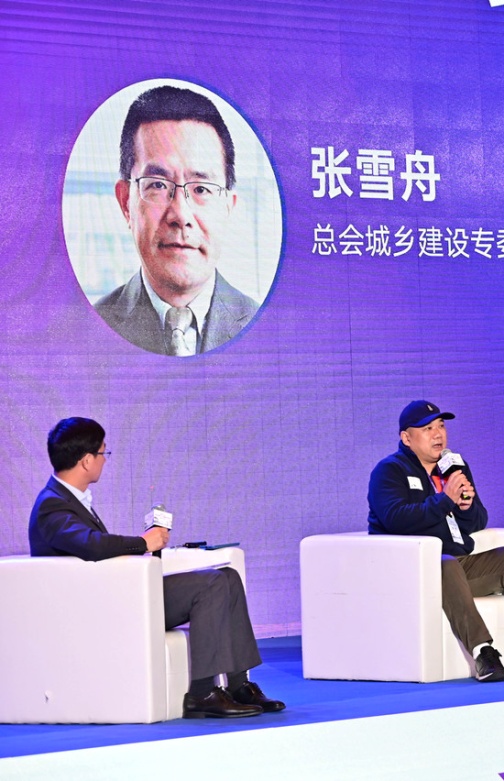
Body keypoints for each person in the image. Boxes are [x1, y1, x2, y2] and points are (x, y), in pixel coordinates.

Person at [29, 418, 283, 718]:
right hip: (99, 607)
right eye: (102, 453)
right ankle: (203, 693)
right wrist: (143, 542)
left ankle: (239, 684)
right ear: (86, 460)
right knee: (212, 584)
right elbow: (90, 544)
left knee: (228, 577)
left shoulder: (69, 500)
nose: (104, 460)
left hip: (116, 593)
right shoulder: (52, 505)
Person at [367, 400, 504, 682]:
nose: (438, 434)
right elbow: (396, 520)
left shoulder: (453, 468)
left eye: (441, 426)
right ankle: (483, 651)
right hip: (414, 569)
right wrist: (445, 500)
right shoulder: (389, 471)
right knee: (444, 564)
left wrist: (466, 508)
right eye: (427, 429)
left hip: (457, 565)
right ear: (407, 438)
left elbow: (477, 522)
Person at [95, 85, 259, 356]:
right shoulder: (85, 329)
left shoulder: (268, 328)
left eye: (201, 189)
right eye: (158, 185)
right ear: (125, 202)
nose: (181, 215)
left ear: (228, 208)